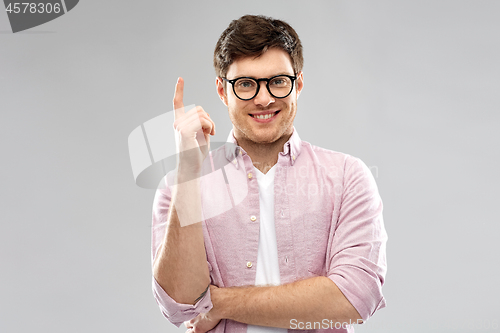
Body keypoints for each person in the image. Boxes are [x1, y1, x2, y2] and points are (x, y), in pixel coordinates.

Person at [151, 15, 387, 333]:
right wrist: (190, 171)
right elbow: (180, 304)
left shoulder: (348, 177)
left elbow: (355, 298)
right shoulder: (179, 186)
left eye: (277, 81)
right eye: (246, 84)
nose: (264, 98)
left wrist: (218, 303)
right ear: (222, 91)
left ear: (298, 84)